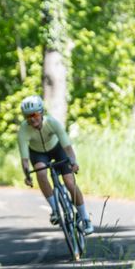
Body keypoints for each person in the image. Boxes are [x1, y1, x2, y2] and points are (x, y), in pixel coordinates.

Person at [17, 95, 94, 234]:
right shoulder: (23, 130)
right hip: (38, 153)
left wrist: (73, 162)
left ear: (41, 113)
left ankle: (85, 217)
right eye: (28, 117)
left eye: (34, 114)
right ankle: (54, 209)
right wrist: (27, 175)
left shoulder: (52, 123)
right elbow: (24, 157)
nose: (32, 119)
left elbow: (67, 146)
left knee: (69, 182)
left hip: (57, 149)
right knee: (40, 171)